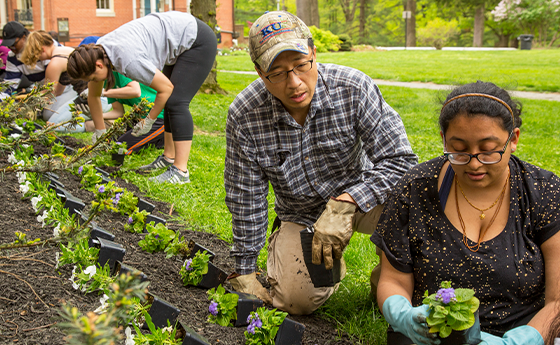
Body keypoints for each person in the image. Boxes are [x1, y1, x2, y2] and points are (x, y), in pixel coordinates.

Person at [224, 11, 417, 315]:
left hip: (364, 200)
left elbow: (401, 161)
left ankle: (389, 284)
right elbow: (246, 197)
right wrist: (245, 268)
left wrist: (347, 202)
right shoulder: (244, 115)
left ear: (314, 54)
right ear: (260, 73)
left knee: (413, 204)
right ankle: (323, 264)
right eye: (278, 72)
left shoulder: (353, 88)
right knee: (294, 301)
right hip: (302, 214)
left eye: (301, 65)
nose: (295, 82)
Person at [371, 81, 560, 345]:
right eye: (458, 150)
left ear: (513, 139)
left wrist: (527, 338)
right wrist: (402, 314)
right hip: (435, 334)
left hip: (523, 330)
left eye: (488, 150)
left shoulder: (544, 191)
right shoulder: (415, 187)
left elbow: (557, 301)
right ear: (443, 140)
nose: (473, 163)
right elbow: (393, 280)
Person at [67, 11, 216, 184]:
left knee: (176, 102)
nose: (94, 82)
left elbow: (165, 89)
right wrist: (100, 131)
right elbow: (93, 95)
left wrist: (149, 121)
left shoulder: (128, 60)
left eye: (93, 78)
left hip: (196, 39)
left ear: (99, 65)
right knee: (170, 102)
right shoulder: (97, 52)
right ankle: (168, 157)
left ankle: (180, 172)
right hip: (176, 36)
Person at [20, 30, 91, 122]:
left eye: (35, 54)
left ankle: (90, 125)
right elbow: (58, 91)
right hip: (95, 93)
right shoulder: (64, 50)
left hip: (89, 100)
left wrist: (28, 105)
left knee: (51, 119)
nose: (37, 58)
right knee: (49, 111)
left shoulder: (54, 63)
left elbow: (48, 93)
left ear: (42, 49)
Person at [0, 21, 49, 99]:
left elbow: (52, 84)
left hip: (63, 89)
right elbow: (9, 87)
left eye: (14, 44)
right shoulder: (12, 57)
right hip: (42, 92)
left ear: (24, 37)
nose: (11, 48)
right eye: (9, 45)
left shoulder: (43, 47)